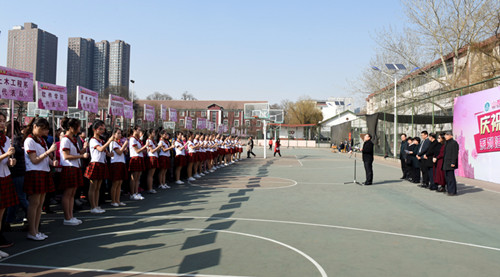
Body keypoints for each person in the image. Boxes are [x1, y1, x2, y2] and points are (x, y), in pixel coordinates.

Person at [24, 117, 58, 241]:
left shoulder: (41, 140)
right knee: (34, 203)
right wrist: (48, 152)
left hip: (44, 171)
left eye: (45, 129)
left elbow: (45, 158)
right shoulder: (29, 141)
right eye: (42, 129)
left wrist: (52, 162)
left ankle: (36, 230)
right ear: (34, 127)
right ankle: (32, 231)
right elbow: (34, 159)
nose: (45, 131)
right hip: (34, 172)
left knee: (40, 203)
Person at [60, 117, 88, 225]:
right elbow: (66, 156)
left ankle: (71, 215)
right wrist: (82, 155)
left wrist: (83, 149)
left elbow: (76, 153)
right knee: (68, 194)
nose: (79, 128)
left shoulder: (73, 139)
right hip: (69, 167)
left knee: (72, 194)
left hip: (75, 167)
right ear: (71, 127)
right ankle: (67, 217)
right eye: (78, 126)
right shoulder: (65, 139)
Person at [84, 120, 114, 214]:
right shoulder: (93, 140)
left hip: (101, 163)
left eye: (103, 129)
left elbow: (104, 152)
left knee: (98, 187)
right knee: (93, 187)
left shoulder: (100, 140)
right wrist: (109, 141)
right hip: (95, 164)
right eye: (100, 129)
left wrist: (109, 154)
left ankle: (96, 205)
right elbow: (100, 149)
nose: (102, 131)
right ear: (94, 129)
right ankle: (93, 206)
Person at [0, 113, 18, 255]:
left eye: (2, 121)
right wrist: (6, 155)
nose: (1, 123)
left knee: (2, 212)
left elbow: (7, 161)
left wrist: (11, 161)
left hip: (5, 175)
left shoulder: (6, 140)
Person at [109, 128, 129, 206]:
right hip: (115, 163)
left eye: (120, 133)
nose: (120, 135)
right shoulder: (113, 143)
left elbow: (123, 152)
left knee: (120, 183)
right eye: (118, 133)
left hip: (121, 162)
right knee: (115, 183)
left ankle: (118, 200)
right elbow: (119, 152)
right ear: (114, 135)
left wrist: (125, 148)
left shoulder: (119, 143)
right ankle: (113, 201)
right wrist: (124, 145)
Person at [128, 126, 148, 200]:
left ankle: (136, 192)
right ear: (134, 130)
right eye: (138, 130)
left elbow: (141, 150)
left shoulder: (138, 140)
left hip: (140, 157)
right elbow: (136, 150)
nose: (140, 132)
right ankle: (132, 193)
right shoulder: (132, 139)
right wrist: (145, 146)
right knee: (134, 177)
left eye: (140, 130)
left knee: (138, 177)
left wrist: (145, 149)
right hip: (135, 158)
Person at [443, 131, 459, 196]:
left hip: (450, 163)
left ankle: (452, 191)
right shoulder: (446, 143)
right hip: (446, 162)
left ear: (451, 136)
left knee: (451, 177)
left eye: (447, 135)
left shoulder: (454, 143)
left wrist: (453, 162)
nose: (445, 136)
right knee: (447, 177)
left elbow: (455, 154)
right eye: (445, 135)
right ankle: (449, 190)